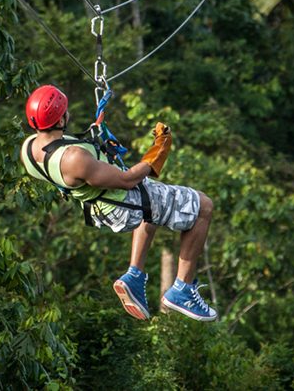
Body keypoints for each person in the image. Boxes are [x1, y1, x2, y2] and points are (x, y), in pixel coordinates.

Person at [20, 85, 217, 321]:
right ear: (61, 119)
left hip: (98, 207)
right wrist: (159, 150)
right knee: (204, 206)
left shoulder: (29, 149)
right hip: (123, 205)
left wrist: (97, 131)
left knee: (154, 202)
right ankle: (183, 289)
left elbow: (72, 156)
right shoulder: (74, 159)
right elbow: (127, 180)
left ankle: (135, 275)